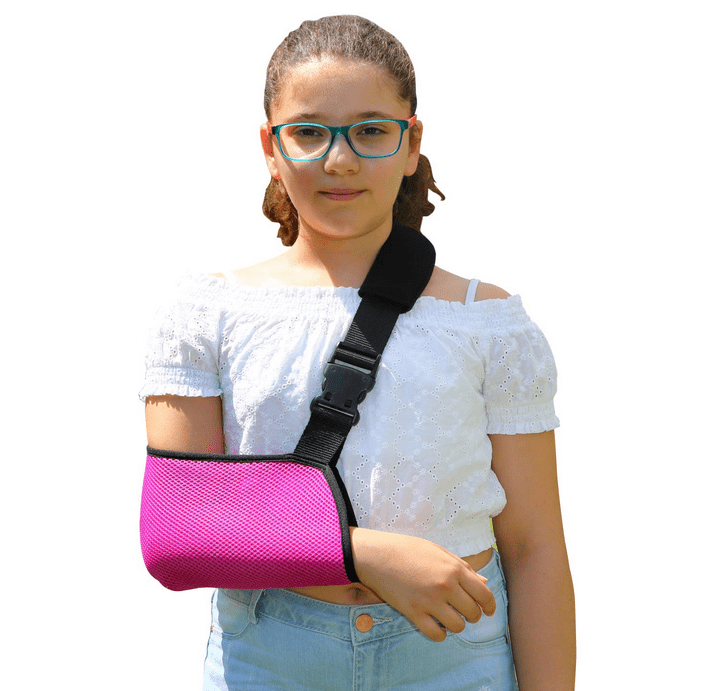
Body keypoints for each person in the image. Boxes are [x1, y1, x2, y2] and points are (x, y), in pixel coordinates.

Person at [140, 15, 575, 691]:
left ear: (412, 143)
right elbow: (178, 535)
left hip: (455, 658)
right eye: (309, 132)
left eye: (371, 130)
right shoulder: (208, 312)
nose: (339, 160)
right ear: (270, 147)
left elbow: (535, 546)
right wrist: (362, 553)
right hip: (272, 659)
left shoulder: (486, 323)